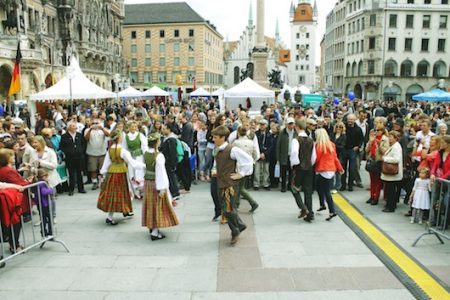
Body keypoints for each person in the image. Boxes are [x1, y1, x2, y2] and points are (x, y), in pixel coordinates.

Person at [211, 125, 253, 245]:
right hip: (220, 182)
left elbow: (248, 160)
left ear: (222, 137)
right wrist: (215, 170)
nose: (213, 139)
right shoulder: (218, 149)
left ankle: (237, 229)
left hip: (229, 184)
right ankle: (238, 227)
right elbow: (218, 162)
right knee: (226, 209)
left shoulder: (232, 149)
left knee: (228, 209)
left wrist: (242, 174)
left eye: (215, 137)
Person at [97, 129, 144, 225]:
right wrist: (145, 165)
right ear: (119, 138)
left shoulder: (110, 150)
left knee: (114, 193)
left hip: (111, 173)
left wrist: (103, 173)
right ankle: (110, 217)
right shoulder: (123, 151)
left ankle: (125, 210)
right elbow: (133, 164)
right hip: (120, 174)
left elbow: (106, 164)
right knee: (119, 194)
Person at [142, 133, 179, 241]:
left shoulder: (146, 153)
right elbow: (161, 173)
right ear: (157, 142)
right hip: (156, 184)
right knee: (157, 206)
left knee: (150, 205)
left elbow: (145, 167)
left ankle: (151, 226)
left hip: (148, 182)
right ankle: (155, 232)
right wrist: (163, 188)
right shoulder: (159, 156)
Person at [314, 129, 344, 221]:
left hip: (322, 169)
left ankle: (332, 211)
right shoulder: (331, 145)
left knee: (325, 191)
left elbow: (316, 159)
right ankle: (322, 205)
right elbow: (335, 158)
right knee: (320, 187)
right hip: (331, 170)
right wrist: (340, 168)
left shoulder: (319, 146)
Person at [290, 118, 316, 222]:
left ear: (296, 126)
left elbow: (294, 153)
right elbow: (314, 156)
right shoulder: (310, 140)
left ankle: (303, 208)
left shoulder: (296, 140)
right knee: (308, 190)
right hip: (309, 167)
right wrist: (310, 164)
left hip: (299, 167)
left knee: (294, 188)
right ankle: (310, 213)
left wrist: (294, 164)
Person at [233, 126, 259, 212]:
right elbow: (255, 154)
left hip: (239, 167)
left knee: (240, 188)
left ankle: (253, 202)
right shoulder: (251, 142)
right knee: (240, 186)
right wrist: (253, 161)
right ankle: (236, 204)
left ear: (238, 133)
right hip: (248, 166)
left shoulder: (236, 143)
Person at [365, 117, 389, 205]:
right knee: (372, 181)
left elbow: (385, 151)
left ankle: (376, 197)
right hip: (372, 160)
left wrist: (379, 145)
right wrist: (371, 142)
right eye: (376, 130)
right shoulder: (373, 138)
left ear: (382, 131)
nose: (377, 132)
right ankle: (371, 196)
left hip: (379, 161)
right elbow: (366, 150)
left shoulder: (385, 139)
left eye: (379, 130)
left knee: (378, 181)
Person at [60, 121, 86, 196]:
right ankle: (71, 189)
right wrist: (68, 151)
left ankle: (81, 188)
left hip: (79, 156)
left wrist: (81, 150)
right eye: (73, 126)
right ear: (69, 127)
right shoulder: (64, 136)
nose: (75, 127)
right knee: (71, 173)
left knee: (79, 173)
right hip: (70, 157)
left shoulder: (79, 135)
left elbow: (83, 144)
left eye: (75, 126)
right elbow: (62, 146)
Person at [122, 121, 147, 198]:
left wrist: (141, 152)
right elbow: (124, 148)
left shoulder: (140, 135)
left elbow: (144, 146)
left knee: (140, 173)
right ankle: (135, 191)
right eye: (132, 127)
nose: (133, 128)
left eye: (135, 127)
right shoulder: (126, 137)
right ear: (129, 127)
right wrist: (126, 157)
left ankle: (142, 191)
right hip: (131, 157)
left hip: (139, 157)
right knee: (132, 173)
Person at [381, 131, 403, 213]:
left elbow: (397, 159)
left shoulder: (396, 147)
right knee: (390, 189)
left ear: (395, 138)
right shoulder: (393, 146)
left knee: (391, 190)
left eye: (391, 137)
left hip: (393, 172)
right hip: (391, 173)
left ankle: (391, 206)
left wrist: (385, 159)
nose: (389, 138)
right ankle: (389, 204)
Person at [84, 118, 109, 190]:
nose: (95, 125)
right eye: (93, 123)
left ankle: (102, 182)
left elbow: (108, 135)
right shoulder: (87, 130)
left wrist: (102, 128)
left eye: (96, 123)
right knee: (93, 169)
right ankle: (94, 182)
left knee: (102, 169)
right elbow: (86, 138)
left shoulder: (103, 130)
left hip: (102, 153)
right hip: (92, 153)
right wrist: (90, 129)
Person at [341, 114, 363, 192]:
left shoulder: (358, 129)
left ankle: (350, 185)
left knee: (352, 168)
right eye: (349, 119)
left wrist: (358, 146)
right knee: (343, 168)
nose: (350, 121)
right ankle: (343, 185)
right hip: (344, 149)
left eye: (352, 119)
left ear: (354, 120)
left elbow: (361, 139)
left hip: (352, 150)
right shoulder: (343, 127)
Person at [160, 123, 181, 202]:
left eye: (164, 129)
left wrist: (173, 164)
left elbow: (173, 153)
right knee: (170, 176)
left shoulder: (171, 139)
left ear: (169, 129)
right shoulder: (166, 138)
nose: (163, 130)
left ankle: (175, 192)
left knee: (171, 177)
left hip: (169, 161)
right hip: (167, 160)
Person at [277, 117, 295, 193]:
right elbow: (278, 145)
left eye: (292, 123)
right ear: (287, 124)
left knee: (291, 172)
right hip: (284, 155)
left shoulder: (295, 133)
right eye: (290, 124)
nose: (291, 125)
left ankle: (289, 186)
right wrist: (278, 157)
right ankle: (283, 186)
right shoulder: (282, 132)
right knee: (283, 172)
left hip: (293, 155)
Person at [35, 169, 55, 236]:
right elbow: (44, 192)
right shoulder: (42, 183)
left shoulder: (38, 183)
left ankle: (44, 232)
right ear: (44, 177)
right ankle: (50, 232)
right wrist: (51, 189)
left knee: (43, 219)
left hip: (40, 203)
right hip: (44, 204)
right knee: (48, 218)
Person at [254, 119, 272, 190]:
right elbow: (255, 144)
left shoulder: (269, 134)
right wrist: (260, 153)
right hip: (258, 153)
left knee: (266, 170)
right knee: (257, 170)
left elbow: (271, 145)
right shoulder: (256, 134)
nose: (261, 126)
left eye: (263, 124)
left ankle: (265, 183)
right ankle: (256, 184)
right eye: (260, 124)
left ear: (266, 125)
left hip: (266, 154)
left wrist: (265, 153)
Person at [331, 121, 346, 193]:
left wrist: (333, 145)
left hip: (340, 155)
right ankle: (331, 186)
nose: (338, 128)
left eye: (340, 127)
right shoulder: (332, 134)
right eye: (337, 126)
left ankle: (337, 186)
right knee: (331, 170)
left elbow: (342, 146)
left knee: (338, 171)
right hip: (332, 154)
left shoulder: (344, 136)